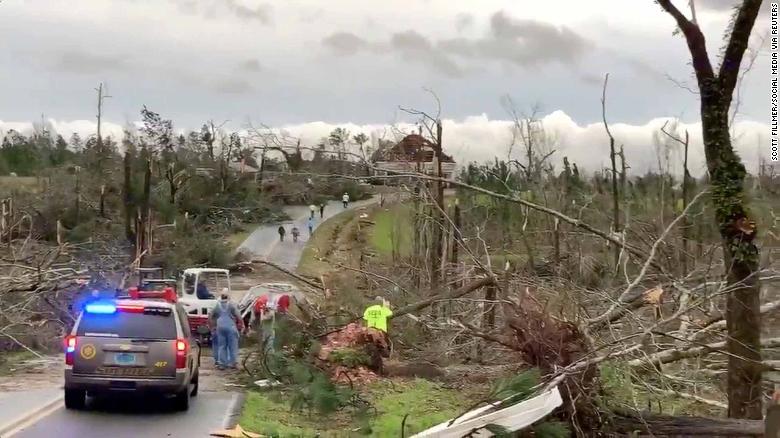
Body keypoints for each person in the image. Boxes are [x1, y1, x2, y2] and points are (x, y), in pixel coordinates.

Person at [208, 290, 244, 370]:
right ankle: (233, 363)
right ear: (228, 296)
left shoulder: (217, 305)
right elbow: (238, 315)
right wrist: (242, 324)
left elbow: (210, 315)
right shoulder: (231, 305)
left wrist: (211, 326)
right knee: (233, 345)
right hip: (230, 326)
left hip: (220, 326)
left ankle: (222, 364)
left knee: (222, 346)